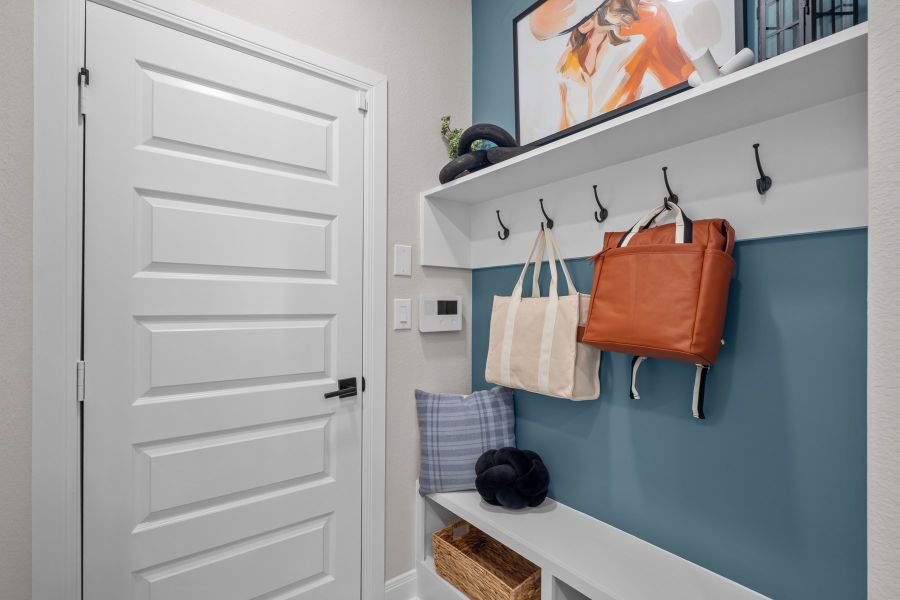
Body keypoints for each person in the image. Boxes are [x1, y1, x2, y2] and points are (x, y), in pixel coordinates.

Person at [529, 0, 692, 131]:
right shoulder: (567, 61)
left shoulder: (647, 24)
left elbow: (683, 82)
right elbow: (564, 127)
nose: (580, 22)